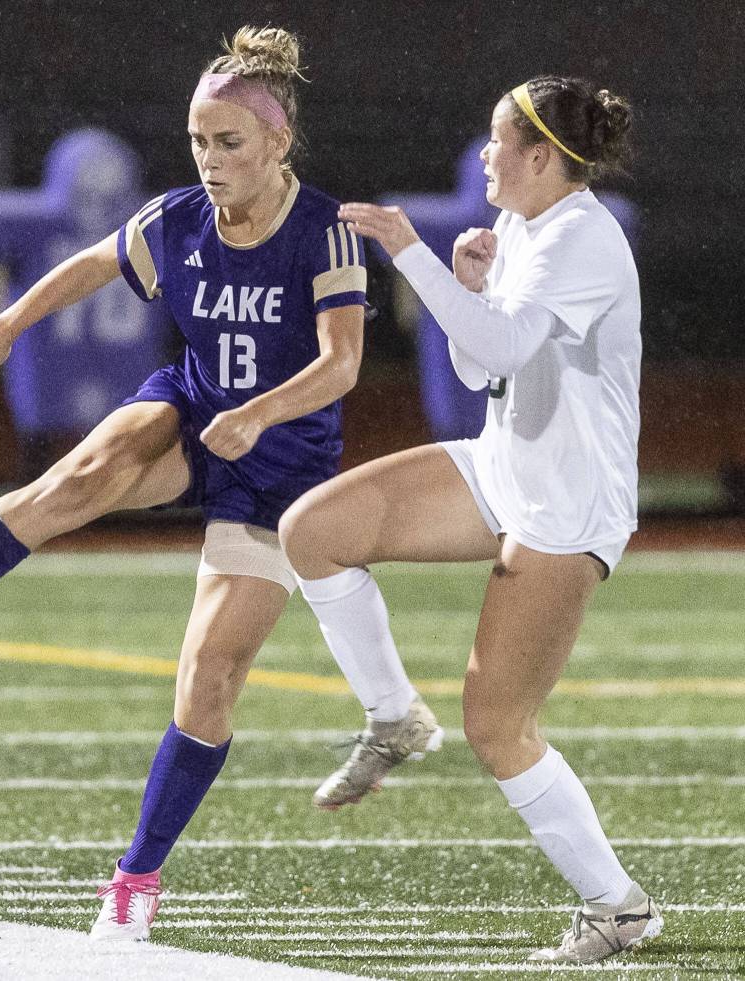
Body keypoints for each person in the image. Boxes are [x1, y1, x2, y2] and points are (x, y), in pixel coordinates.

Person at [0, 26, 431, 942]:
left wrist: (259, 414)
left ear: (279, 142)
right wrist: (7, 321)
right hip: (190, 412)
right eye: (199, 142)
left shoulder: (326, 232)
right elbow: (96, 261)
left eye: (230, 143)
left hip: (279, 471)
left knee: (208, 681)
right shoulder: (177, 219)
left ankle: (136, 877)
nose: (210, 161)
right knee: (71, 479)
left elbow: (341, 364)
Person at [278, 75, 663, 965]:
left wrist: (412, 254)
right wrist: (468, 285)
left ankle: (619, 908)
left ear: (542, 157)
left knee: (497, 727)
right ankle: (392, 718)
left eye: (498, 141)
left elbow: (506, 346)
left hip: (566, 502)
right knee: (314, 531)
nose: (485, 154)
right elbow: (484, 365)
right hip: (506, 464)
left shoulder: (584, 236)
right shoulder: (531, 229)